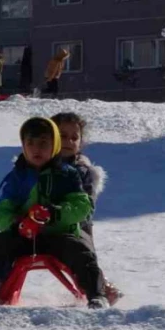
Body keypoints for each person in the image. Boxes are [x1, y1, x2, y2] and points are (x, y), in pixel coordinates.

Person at [0, 117, 107, 309]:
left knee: (81, 253)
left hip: (59, 235)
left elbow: (81, 206)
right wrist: (17, 223)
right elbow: (1, 211)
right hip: (24, 236)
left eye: (43, 144)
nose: (37, 149)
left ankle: (96, 295)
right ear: (23, 146)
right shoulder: (17, 177)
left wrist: (56, 213)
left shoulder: (67, 175)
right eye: (31, 144)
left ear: (55, 146)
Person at [51, 112, 123, 306]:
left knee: (82, 257)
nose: (68, 141)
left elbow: (86, 207)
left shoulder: (84, 171)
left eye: (74, 138)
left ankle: (99, 290)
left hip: (74, 227)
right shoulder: (37, 164)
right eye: (62, 136)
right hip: (37, 226)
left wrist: (61, 214)